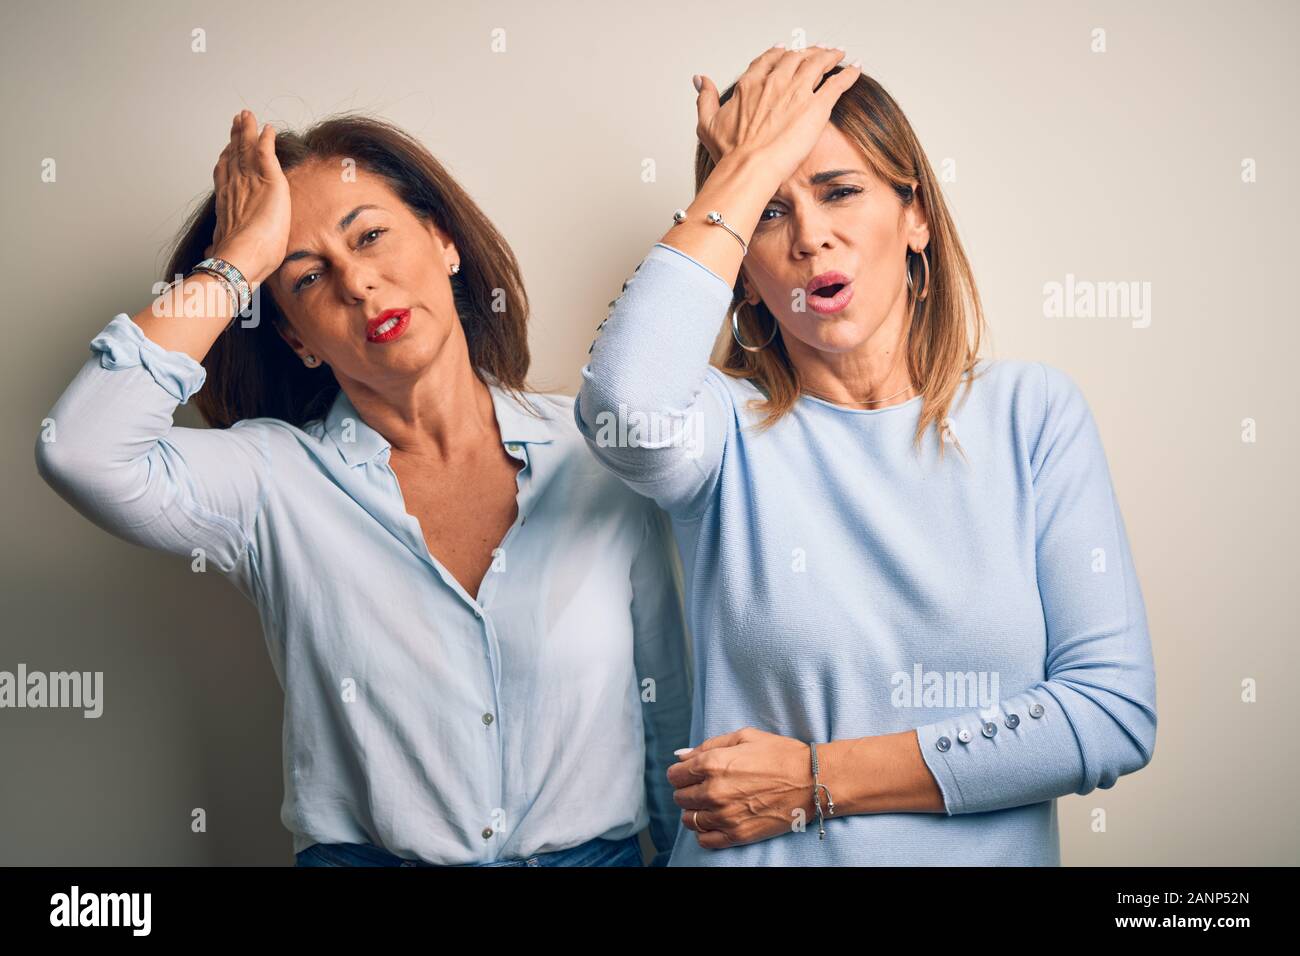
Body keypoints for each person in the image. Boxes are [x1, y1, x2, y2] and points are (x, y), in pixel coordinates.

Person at [35, 110, 690, 867]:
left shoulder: (596, 451)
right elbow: (79, 449)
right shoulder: (270, 482)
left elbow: (666, 710)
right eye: (307, 276)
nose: (356, 281)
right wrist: (240, 259)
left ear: (443, 242)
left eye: (369, 235)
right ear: (296, 338)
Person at [575, 43, 1157, 865]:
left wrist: (820, 777)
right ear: (741, 269)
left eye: (839, 190)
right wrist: (742, 165)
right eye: (770, 212)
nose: (811, 236)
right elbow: (620, 403)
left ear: (913, 217)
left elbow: (1110, 714)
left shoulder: (1032, 414)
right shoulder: (720, 430)